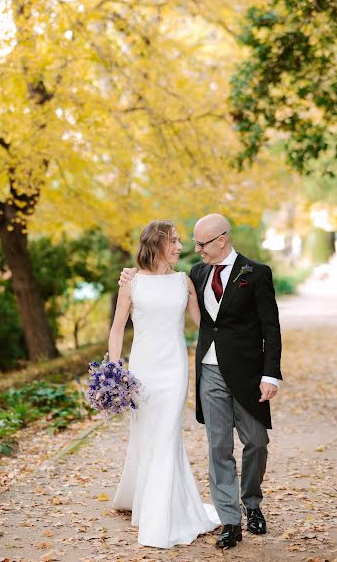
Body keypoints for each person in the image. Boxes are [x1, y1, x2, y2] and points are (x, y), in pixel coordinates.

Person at [120, 213, 282, 550]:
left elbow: (270, 327)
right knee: (218, 446)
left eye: (202, 243)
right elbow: (165, 293)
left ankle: (251, 503)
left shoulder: (257, 274)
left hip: (247, 373)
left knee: (256, 442)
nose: (195, 249)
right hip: (208, 372)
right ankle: (230, 521)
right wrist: (133, 276)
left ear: (222, 239)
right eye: (191, 242)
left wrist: (270, 373)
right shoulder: (195, 274)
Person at [108, 219, 220, 549]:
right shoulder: (131, 282)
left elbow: (204, 326)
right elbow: (116, 331)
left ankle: (160, 519)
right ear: (156, 243)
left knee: (168, 435)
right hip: (142, 371)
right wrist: (115, 372)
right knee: (148, 436)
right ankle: (145, 502)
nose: (180, 247)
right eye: (174, 241)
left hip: (174, 370)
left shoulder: (183, 282)